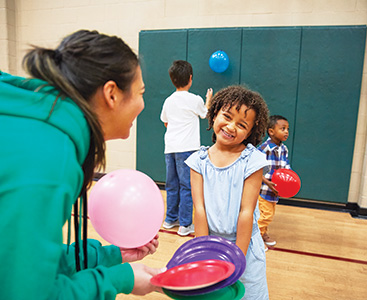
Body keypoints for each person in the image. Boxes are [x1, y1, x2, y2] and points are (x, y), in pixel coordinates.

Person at [0, 30, 165, 300]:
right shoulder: (49, 158)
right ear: (111, 94)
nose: (142, 103)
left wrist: (109, 256)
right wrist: (121, 278)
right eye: (140, 92)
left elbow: (26, 262)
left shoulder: (41, 129)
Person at [185, 85, 270, 299]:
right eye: (227, 116)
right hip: (211, 244)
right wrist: (203, 254)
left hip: (244, 248)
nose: (231, 127)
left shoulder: (252, 160)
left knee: (248, 293)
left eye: (242, 124)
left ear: (251, 132)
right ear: (214, 114)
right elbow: (200, 208)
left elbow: (246, 211)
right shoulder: (198, 161)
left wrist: (237, 259)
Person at [160, 60, 212, 236]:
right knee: (187, 187)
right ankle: (184, 224)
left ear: (172, 79)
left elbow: (165, 122)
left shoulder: (168, 101)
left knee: (172, 185)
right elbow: (206, 114)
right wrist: (209, 100)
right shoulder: (195, 99)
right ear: (190, 78)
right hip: (188, 150)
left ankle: (169, 219)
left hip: (170, 149)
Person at [257, 115, 291, 249]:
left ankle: (263, 233)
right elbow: (255, 169)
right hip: (263, 189)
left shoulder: (284, 149)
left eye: (288, 129)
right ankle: (256, 239)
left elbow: (286, 168)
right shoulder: (264, 148)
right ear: (271, 131)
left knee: (269, 214)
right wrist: (266, 181)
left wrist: (288, 184)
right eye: (283, 129)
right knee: (266, 215)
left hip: (275, 190)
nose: (286, 132)